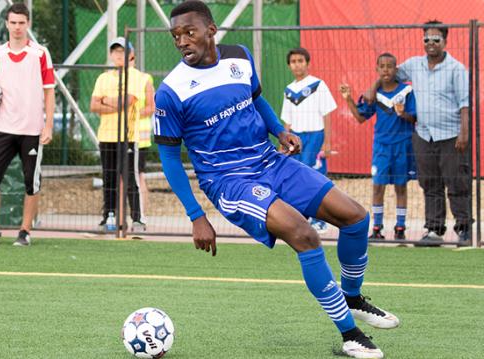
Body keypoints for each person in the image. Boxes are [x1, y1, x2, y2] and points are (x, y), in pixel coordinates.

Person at [155, 2, 399, 358]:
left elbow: (256, 101)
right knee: (304, 234)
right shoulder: (171, 90)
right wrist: (196, 215)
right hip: (229, 180)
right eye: (176, 35)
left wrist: (280, 131)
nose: (182, 41)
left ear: (211, 30)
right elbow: (168, 157)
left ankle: (353, 297)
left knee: (356, 218)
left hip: (270, 160)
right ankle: (350, 334)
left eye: (189, 32)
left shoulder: (238, 57)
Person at [364, 20, 471, 247]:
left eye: (436, 40)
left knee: (456, 183)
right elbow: (388, 74)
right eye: (426, 39)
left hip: (451, 135)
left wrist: (464, 133)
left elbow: (464, 104)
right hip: (423, 134)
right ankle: (434, 230)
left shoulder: (456, 69)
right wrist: (372, 88)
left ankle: (464, 230)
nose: (430, 43)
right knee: (430, 184)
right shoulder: (413, 64)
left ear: (445, 41)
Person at [0, 3, 55, 246]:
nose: (17, 27)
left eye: (21, 23)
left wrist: (48, 127)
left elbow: (49, 93)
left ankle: (25, 232)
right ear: (6, 24)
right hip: (3, 128)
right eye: (13, 23)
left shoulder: (40, 54)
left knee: (30, 182)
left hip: (32, 130)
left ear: (28, 24)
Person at [340, 53, 417, 241]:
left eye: (390, 66)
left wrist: (403, 114)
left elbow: (415, 118)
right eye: (382, 66)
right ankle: (377, 227)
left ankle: (400, 227)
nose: (386, 70)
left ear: (396, 69)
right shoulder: (374, 95)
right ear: (377, 70)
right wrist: (348, 98)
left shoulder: (406, 92)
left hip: (402, 144)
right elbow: (360, 117)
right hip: (381, 147)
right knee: (377, 187)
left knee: (400, 187)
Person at [90, 37, 148, 232]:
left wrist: (105, 100)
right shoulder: (103, 78)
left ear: (130, 55)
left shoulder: (138, 76)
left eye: (122, 51)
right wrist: (112, 102)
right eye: (115, 51)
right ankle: (109, 216)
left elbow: (128, 101)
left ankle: (137, 219)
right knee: (109, 178)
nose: (118, 55)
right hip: (106, 136)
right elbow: (93, 105)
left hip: (128, 136)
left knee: (130, 178)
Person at [280, 47, 337, 234]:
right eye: (293, 61)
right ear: (289, 66)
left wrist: (327, 142)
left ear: (308, 63)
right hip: (296, 139)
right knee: (296, 178)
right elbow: (286, 121)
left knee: (315, 179)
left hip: (315, 136)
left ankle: (320, 220)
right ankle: (301, 218)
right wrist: (283, 144)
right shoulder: (288, 90)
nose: (297, 65)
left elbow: (327, 114)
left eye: (300, 61)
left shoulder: (318, 85)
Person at [132, 58, 155, 224]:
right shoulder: (110, 78)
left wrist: (130, 114)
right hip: (119, 137)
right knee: (119, 179)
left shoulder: (144, 79)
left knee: (138, 177)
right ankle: (119, 217)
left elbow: (151, 107)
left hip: (139, 138)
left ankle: (141, 216)